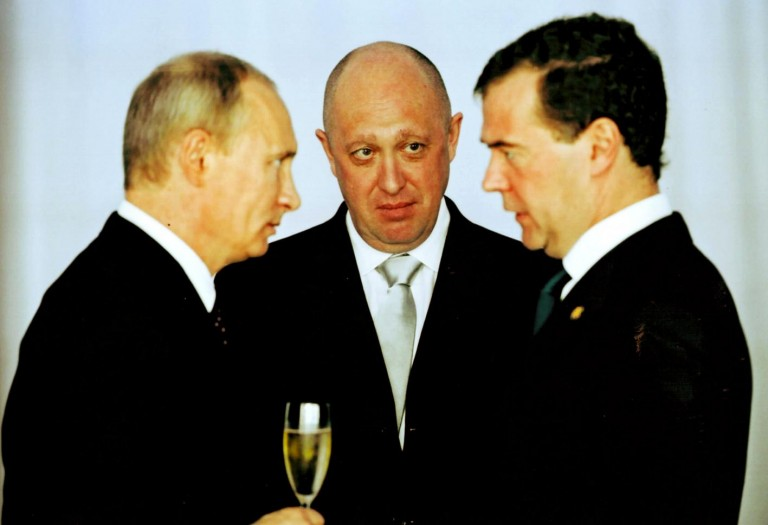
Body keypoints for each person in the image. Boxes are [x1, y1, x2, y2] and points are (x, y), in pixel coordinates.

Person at [215, 41, 553, 524]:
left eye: (413, 147)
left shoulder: (540, 286)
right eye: (364, 153)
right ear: (329, 153)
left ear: (452, 136)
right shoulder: (249, 294)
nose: (392, 182)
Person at [1, 51, 323, 525]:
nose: (291, 197)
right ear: (198, 158)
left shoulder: (159, 296)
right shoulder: (103, 323)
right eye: (276, 162)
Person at [476, 13, 752, 524]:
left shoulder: (665, 314)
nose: (491, 180)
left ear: (600, 147)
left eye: (510, 151)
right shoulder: (599, 285)